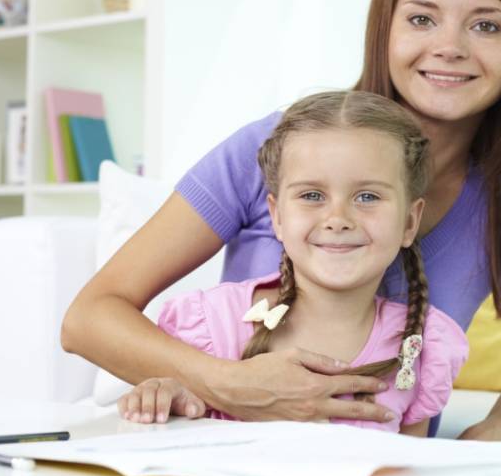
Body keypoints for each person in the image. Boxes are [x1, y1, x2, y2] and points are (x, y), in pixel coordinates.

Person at [62, 0, 501, 440]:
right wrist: (230, 384)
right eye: (421, 19)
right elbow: (89, 318)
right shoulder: (278, 146)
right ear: (385, 30)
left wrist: (472, 450)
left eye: (485, 25)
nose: (450, 46)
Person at [116, 91, 468, 435]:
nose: (338, 218)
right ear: (277, 216)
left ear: (409, 222)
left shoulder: (424, 346)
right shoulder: (210, 325)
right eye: (312, 195)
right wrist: (157, 400)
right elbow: (169, 443)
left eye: (367, 196)